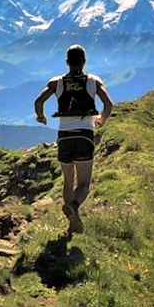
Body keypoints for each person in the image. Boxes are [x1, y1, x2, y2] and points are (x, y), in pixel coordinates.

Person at [34, 44, 113, 235]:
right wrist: (101, 119)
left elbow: (38, 102)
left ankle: (71, 222)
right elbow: (108, 104)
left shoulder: (57, 82)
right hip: (84, 135)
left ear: (67, 62)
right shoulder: (93, 81)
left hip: (64, 137)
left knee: (68, 181)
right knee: (84, 183)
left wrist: (41, 117)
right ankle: (75, 208)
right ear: (84, 62)